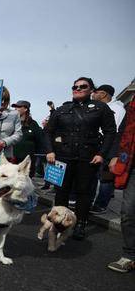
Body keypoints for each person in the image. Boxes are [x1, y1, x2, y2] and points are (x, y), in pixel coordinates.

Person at [44, 77, 116, 240]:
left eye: (83, 86)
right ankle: (58, 223)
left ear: (91, 90)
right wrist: (49, 150)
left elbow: (111, 132)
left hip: (87, 158)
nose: (77, 89)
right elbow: (48, 131)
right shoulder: (62, 109)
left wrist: (102, 154)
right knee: (61, 192)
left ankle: (80, 223)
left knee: (84, 193)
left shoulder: (101, 108)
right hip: (62, 157)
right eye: (75, 86)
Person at [107, 98, 135, 273]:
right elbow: (123, 130)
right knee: (129, 211)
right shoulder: (132, 103)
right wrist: (115, 154)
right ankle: (129, 255)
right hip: (132, 164)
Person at [91, 84, 126, 214]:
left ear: (104, 94)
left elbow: (115, 132)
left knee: (106, 177)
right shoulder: (99, 107)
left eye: (96, 92)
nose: (93, 95)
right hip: (97, 146)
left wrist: (113, 154)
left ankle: (101, 205)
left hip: (109, 147)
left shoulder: (117, 109)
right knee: (94, 176)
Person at [11, 100, 45, 177]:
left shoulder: (33, 124)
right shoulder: (12, 122)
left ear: (25, 109)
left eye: (18, 107)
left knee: (26, 182)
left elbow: (40, 140)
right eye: (15, 107)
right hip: (12, 159)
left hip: (28, 160)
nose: (16, 109)